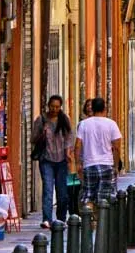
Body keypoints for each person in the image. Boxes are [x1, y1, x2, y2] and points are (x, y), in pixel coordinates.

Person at [74, 98, 123, 223]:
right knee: (105, 197)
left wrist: (78, 163)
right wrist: (116, 166)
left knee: (89, 195)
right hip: (107, 165)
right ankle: (101, 223)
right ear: (105, 109)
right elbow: (117, 147)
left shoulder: (84, 124)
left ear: (92, 109)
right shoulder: (111, 124)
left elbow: (78, 145)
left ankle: (90, 221)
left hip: (89, 164)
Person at [32, 95, 74, 229]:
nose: (54, 109)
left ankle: (61, 218)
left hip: (62, 160)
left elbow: (69, 137)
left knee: (62, 193)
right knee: (48, 190)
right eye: (52, 106)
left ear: (60, 107)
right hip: (46, 160)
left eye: (57, 107)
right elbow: (33, 138)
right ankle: (47, 219)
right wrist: (41, 134)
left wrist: (68, 152)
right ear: (48, 106)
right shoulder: (41, 120)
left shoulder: (64, 119)